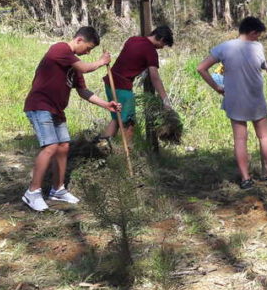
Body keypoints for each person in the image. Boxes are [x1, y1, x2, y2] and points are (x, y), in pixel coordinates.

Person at [21, 26, 121, 212]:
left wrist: (106, 104)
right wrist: (101, 62)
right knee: (50, 146)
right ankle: (32, 192)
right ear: (79, 40)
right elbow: (85, 66)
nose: (88, 52)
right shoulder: (60, 49)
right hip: (40, 106)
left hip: (57, 110)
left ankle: (57, 189)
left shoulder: (74, 66)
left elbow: (83, 91)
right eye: (88, 48)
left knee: (64, 146)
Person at [196, 16, 267, 190]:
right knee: (264, 136)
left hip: (234, 100)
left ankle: (246, 179)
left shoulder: (223, 48)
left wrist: (217, 88)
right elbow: (263, 66)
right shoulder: (257, 46)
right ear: (252, 32)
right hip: (255, 99)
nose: (258, 38)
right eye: (258, 35)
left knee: (240, 140)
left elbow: (201, 68)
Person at [100, 25, 175, 143]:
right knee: (128, 125)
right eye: (163, 45)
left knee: (116, 120)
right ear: (161, 39)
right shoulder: (151, 51)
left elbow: (131, 59)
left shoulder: (133, 39)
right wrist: (165, 101)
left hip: (110, 83)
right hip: (122, 88)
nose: (162, 48)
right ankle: (126, 156)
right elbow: (155, 77)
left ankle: (98, 150)